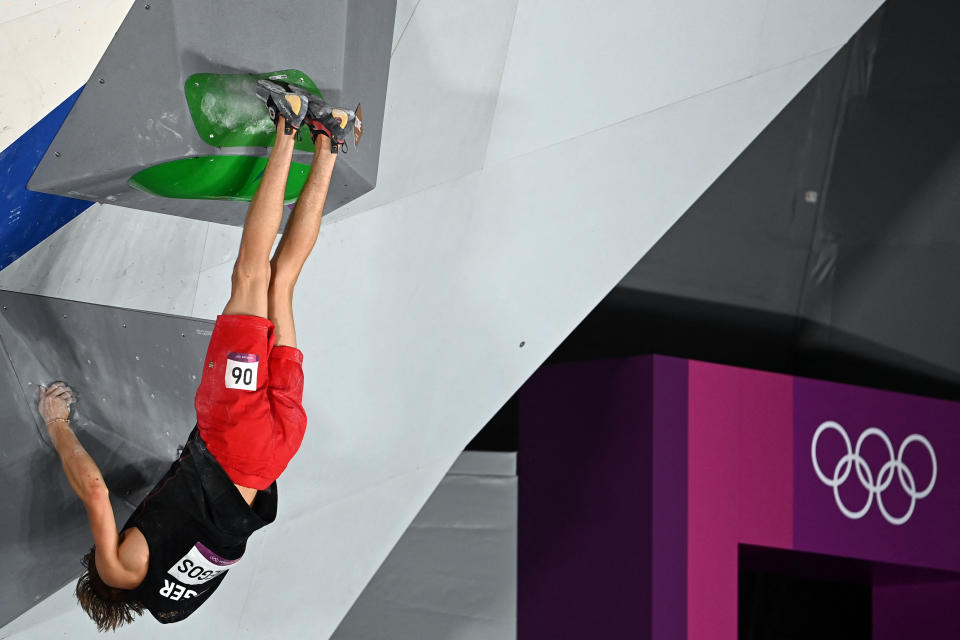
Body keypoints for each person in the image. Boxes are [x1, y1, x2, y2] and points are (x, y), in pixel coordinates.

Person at [36, 80, 359, 630]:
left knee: (281, 285)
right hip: (235, 432)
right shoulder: (117, 573)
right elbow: (93, 489)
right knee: (250, 276)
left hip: (277, 451)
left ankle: (331, 139)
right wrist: (58, 424)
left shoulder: (174, 606)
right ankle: (289, 123)